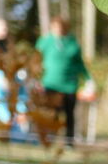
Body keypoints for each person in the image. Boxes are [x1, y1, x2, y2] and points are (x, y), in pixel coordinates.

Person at [36, 16, 92, 146]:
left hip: (69, 85)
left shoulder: (72, 43)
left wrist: (88, 79)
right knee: (51, 113)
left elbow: (79, 64)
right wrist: (36, 78)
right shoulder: (45, 41)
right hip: (50, 84)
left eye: (60, 27)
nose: (58, 30)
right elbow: (36, 60)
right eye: (55, 27)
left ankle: (69, 142)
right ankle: (49, 139)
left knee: (69, 114)